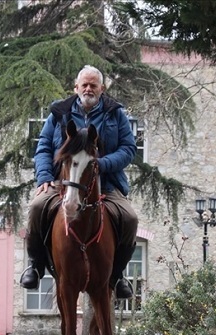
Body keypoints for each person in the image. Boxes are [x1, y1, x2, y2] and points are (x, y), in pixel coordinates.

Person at [20, 65, 138, 299]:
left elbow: (128, 149)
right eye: (84, 84)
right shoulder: (58, 113)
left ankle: (118, 274)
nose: (88, 89)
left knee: (130, 219)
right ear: (76, 87)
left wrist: (101, 165)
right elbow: (43, 147)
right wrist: (44, 176)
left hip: (106, 183)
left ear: (102, 89)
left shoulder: (115, 114)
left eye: (93, 85)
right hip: (62, 183)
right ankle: (35, 265)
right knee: (35, 208)